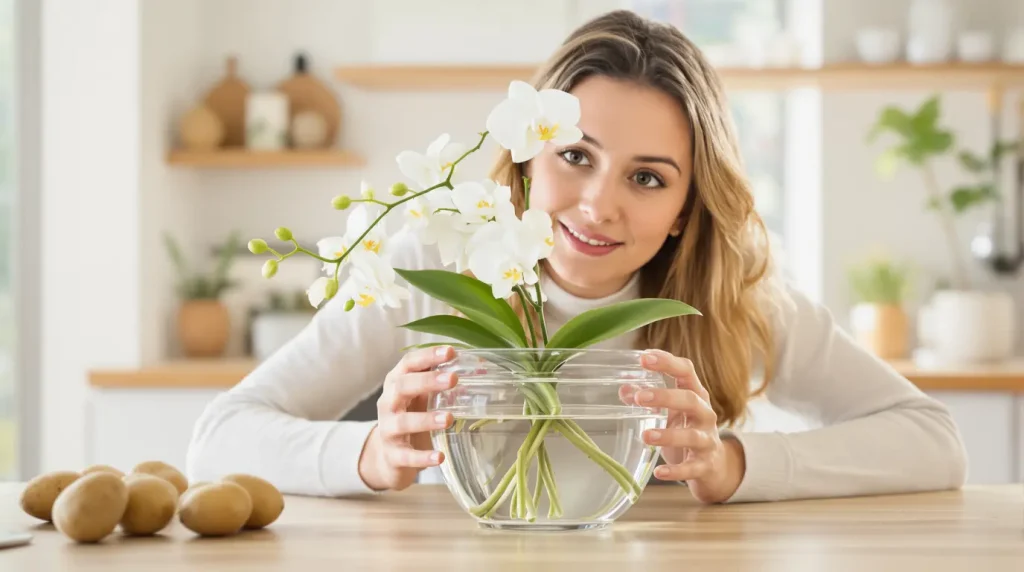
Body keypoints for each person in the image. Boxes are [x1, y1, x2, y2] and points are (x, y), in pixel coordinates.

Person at [185, 10, 967, 504]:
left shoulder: (729, 291)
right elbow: (217, 437)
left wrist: (735, 464)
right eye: (575, 157)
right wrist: (368, 453)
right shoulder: (437, 261)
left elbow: (932, 440)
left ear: (686, 207)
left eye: (648, 177)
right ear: (524, 159)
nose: (600, 205)